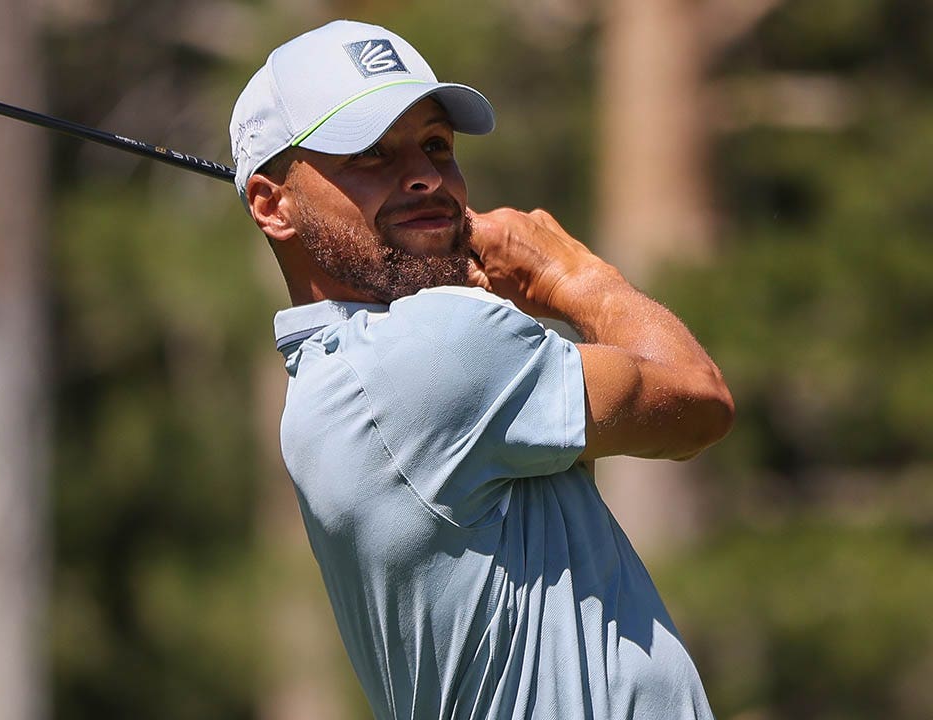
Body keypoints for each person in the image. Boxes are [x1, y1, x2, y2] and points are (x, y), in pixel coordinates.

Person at [230, 19, 735, 720]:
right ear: (271, 204)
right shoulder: (435, 349)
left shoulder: (332, 385)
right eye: (370, 154)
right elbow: (698, 401)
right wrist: (568, 274)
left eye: (436, 144)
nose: (426, 176)